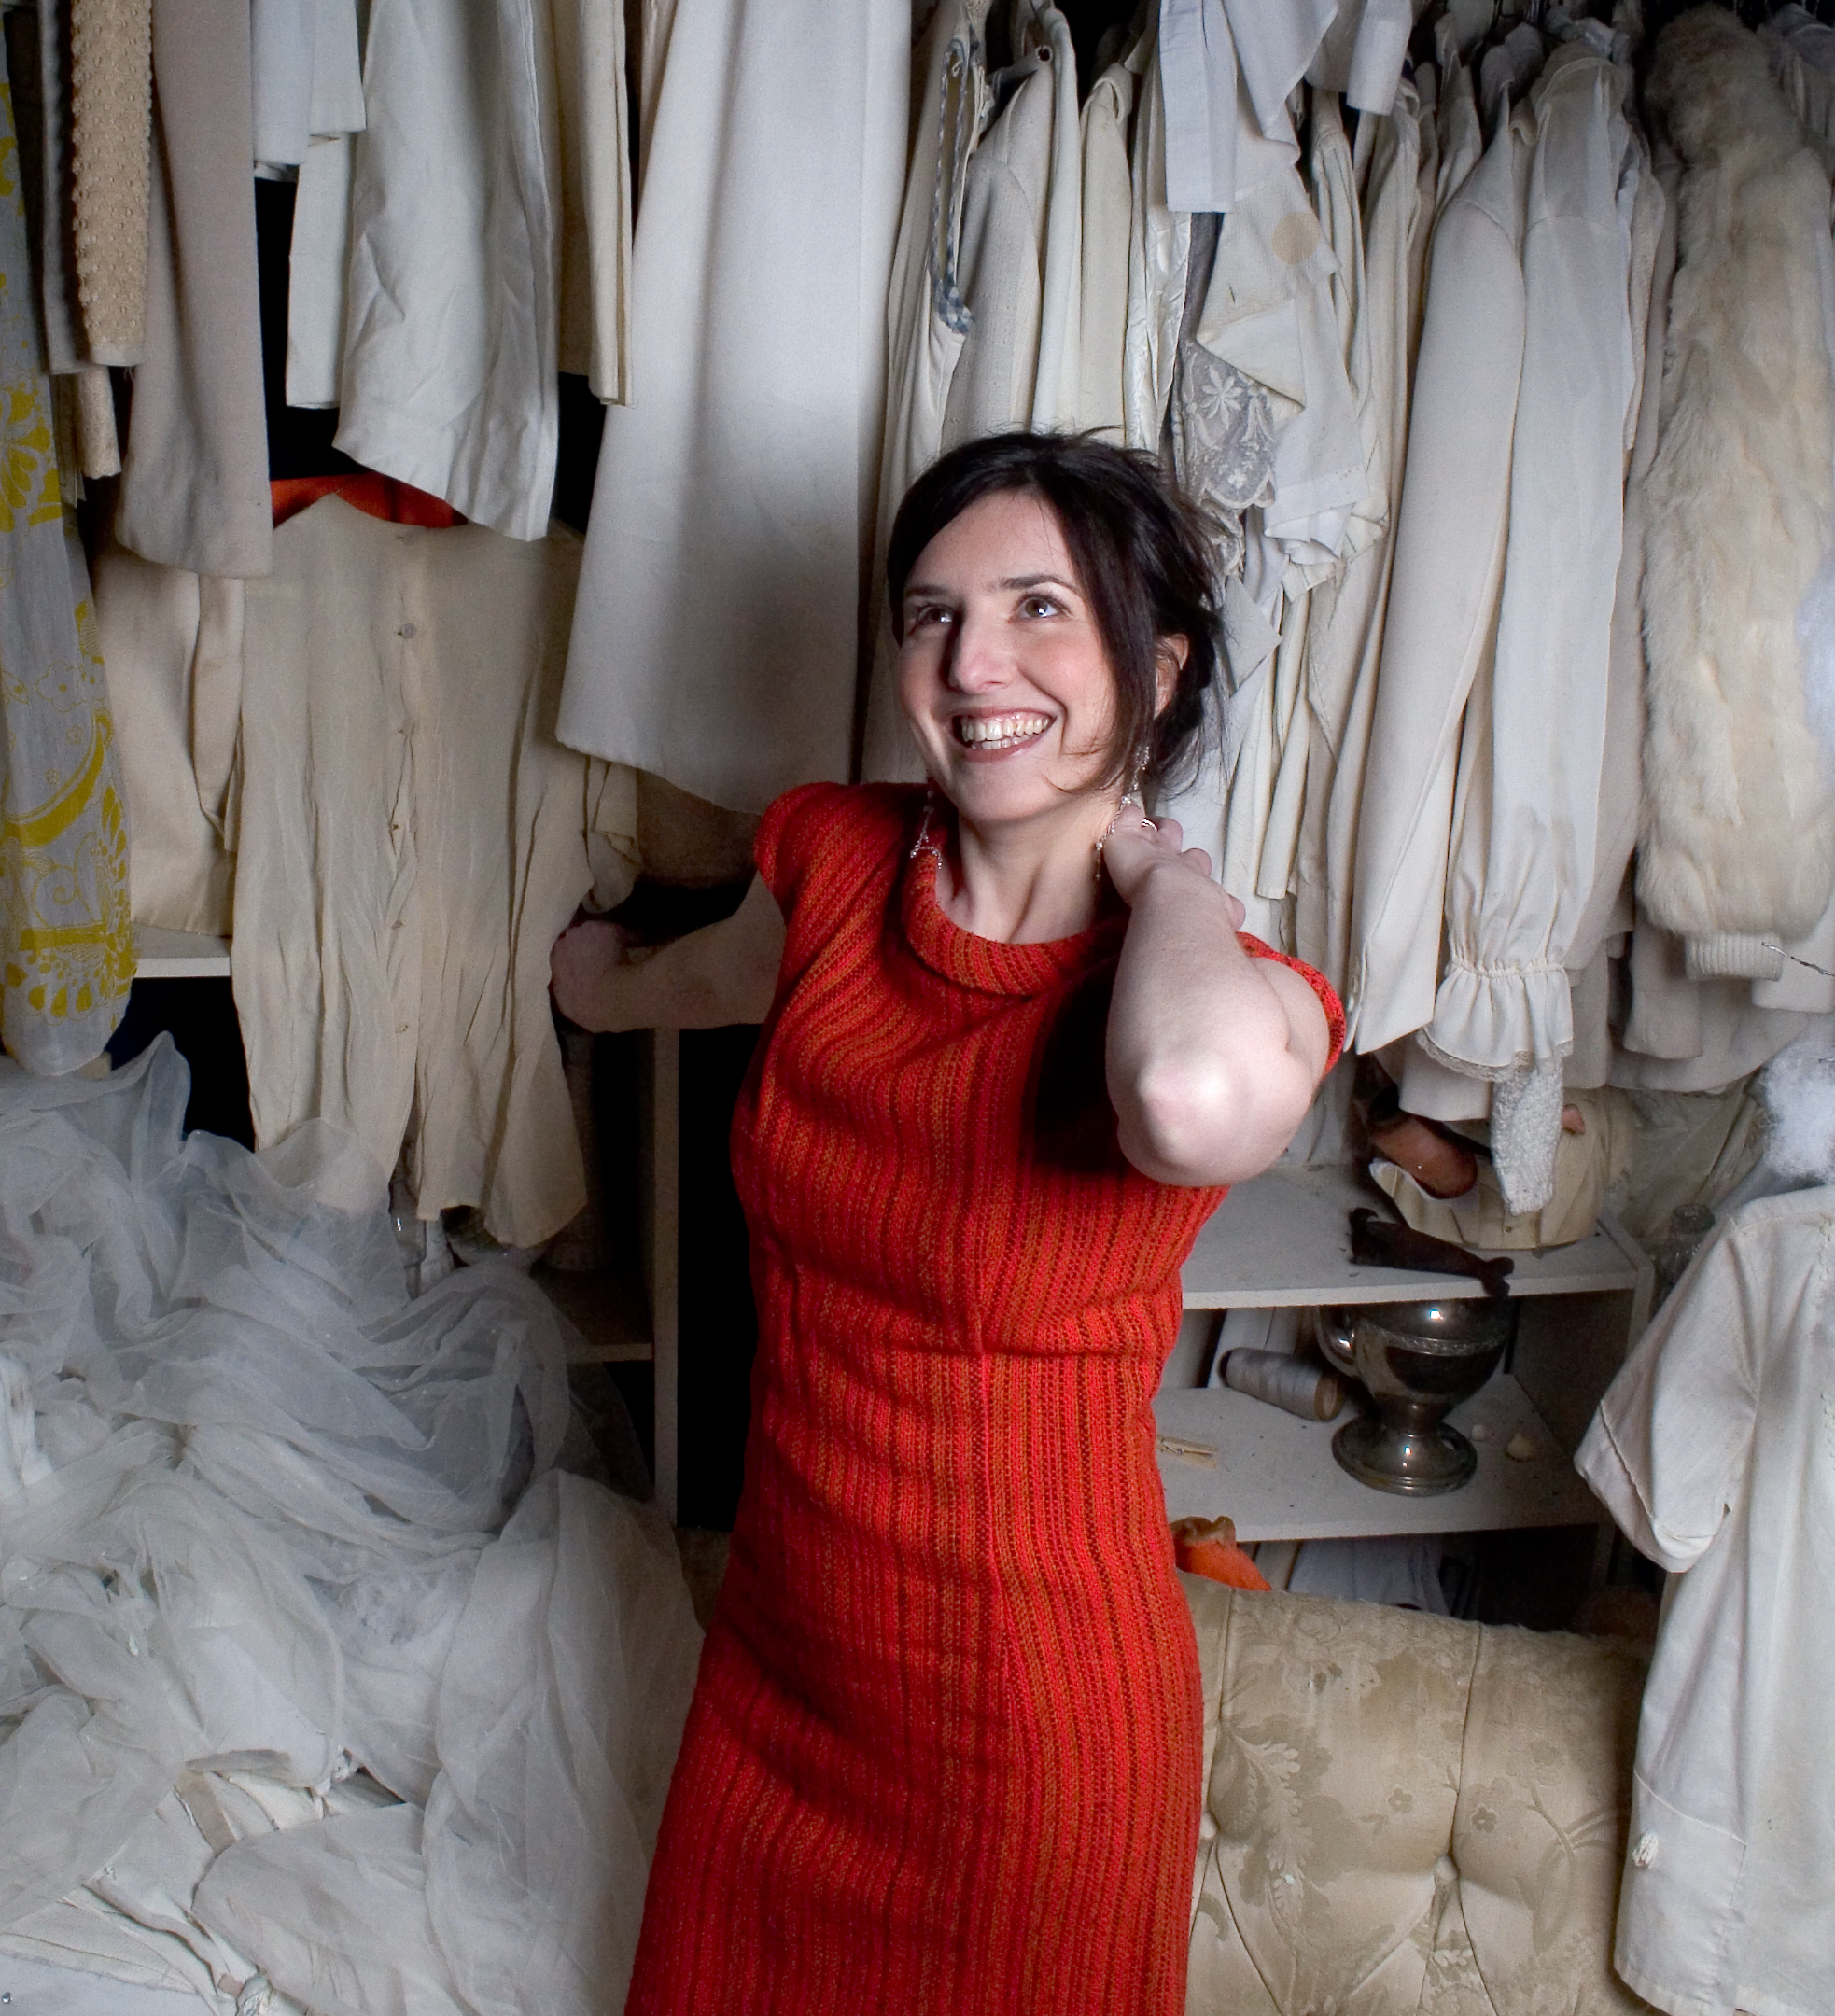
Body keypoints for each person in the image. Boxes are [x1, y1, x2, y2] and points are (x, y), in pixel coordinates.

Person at [550, 432, 1342, 2014]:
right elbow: (712, 981)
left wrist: (1168, 877)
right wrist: (586, 984)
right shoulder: (834, 854)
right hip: (782, 1660)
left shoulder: (1218, 995)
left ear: (1159, 667)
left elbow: (1184, 1099)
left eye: (1040, 607)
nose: (975, 664)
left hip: (1031, 1730)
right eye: (933, 614)